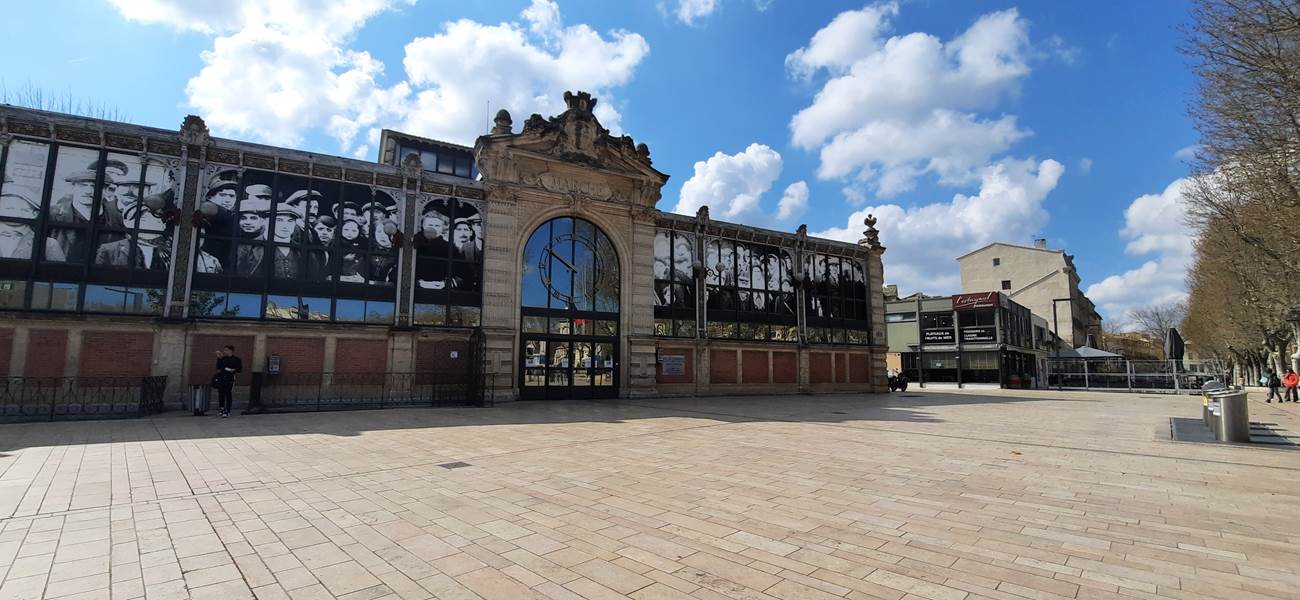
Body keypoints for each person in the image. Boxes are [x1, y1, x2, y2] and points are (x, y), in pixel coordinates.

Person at [0, 190, 65, 261]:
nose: (16, 213)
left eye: (24, 210)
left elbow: (60, 271)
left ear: (34, 214)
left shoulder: (48, 244)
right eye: (9, 208)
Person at [212, 345, 242, 417]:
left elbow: (239, 369)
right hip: (222, 377)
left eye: (226, 350)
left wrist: (233, 370)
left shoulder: (236, 359)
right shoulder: (223, 358)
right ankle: (221, 408)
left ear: (231, 350)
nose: (225, 351)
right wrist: (219, 358)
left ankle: (227, 410)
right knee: (221, 393)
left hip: (230, 378)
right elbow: (218, 367)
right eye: (224, 350)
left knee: (228, 393)